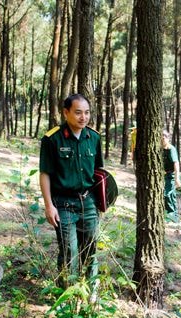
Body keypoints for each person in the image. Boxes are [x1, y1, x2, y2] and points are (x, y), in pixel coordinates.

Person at [39, 94, 103, 286]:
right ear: (66, 113)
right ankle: (67, 294)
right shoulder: (52, 139)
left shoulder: (93, 137)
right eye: (78, 113)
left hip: (89, 202)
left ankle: (91, 292)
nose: (83, 117)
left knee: (91, 250)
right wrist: (49, 205)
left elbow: (100, 174)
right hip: (63, 203)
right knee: (69, 252)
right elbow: (45, 174)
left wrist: (101, 203)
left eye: (87, 112)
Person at [162, 130, 181, 223]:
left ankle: (173, 215)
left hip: (171, 175)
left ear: (168, 138)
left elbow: (176, 163)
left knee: (168, 194)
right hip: (164, 174)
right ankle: (171, 215)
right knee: (168, 195)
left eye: (164, 136)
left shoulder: (171, 149)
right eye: (161, 136)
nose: (162, 138)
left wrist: (177, 178)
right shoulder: (161, 149)